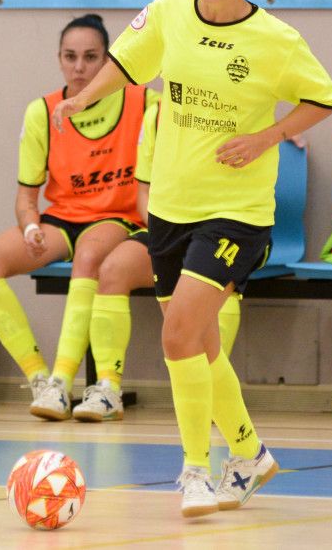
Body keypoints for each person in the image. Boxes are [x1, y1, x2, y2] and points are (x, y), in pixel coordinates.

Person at [51, 0, 332, 517]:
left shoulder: (276, 40)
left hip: (237, 213)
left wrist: (268, 137)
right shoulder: (168, 12)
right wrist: (80, 98)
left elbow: (324, 98)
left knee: (178, 334)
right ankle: (250, 454)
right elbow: (126, 65)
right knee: (201, 346)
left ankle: (194, 471)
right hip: (172, 210)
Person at [0, 14, 157, 421]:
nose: (80, 66)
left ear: (108, 61)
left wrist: (277, 130)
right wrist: (31, 227)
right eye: (71, 57)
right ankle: (38, 379)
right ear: (59, 59)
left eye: (91, 57)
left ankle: (64, 382)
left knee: (90, 252)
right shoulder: (42, 112)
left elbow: (193, 114)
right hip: (62, 218)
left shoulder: (141, 100)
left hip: (118, 217)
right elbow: (25, 197)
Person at [70, 101, 244, 422]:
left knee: (215, 281)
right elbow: (143, 194)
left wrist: (279, 134)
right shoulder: (156, 114)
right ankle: (108, 390)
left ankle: (212, 395)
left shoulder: (228, 106)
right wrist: (169, 234)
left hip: (221, 228)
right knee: (111, 270)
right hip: (166, 228)